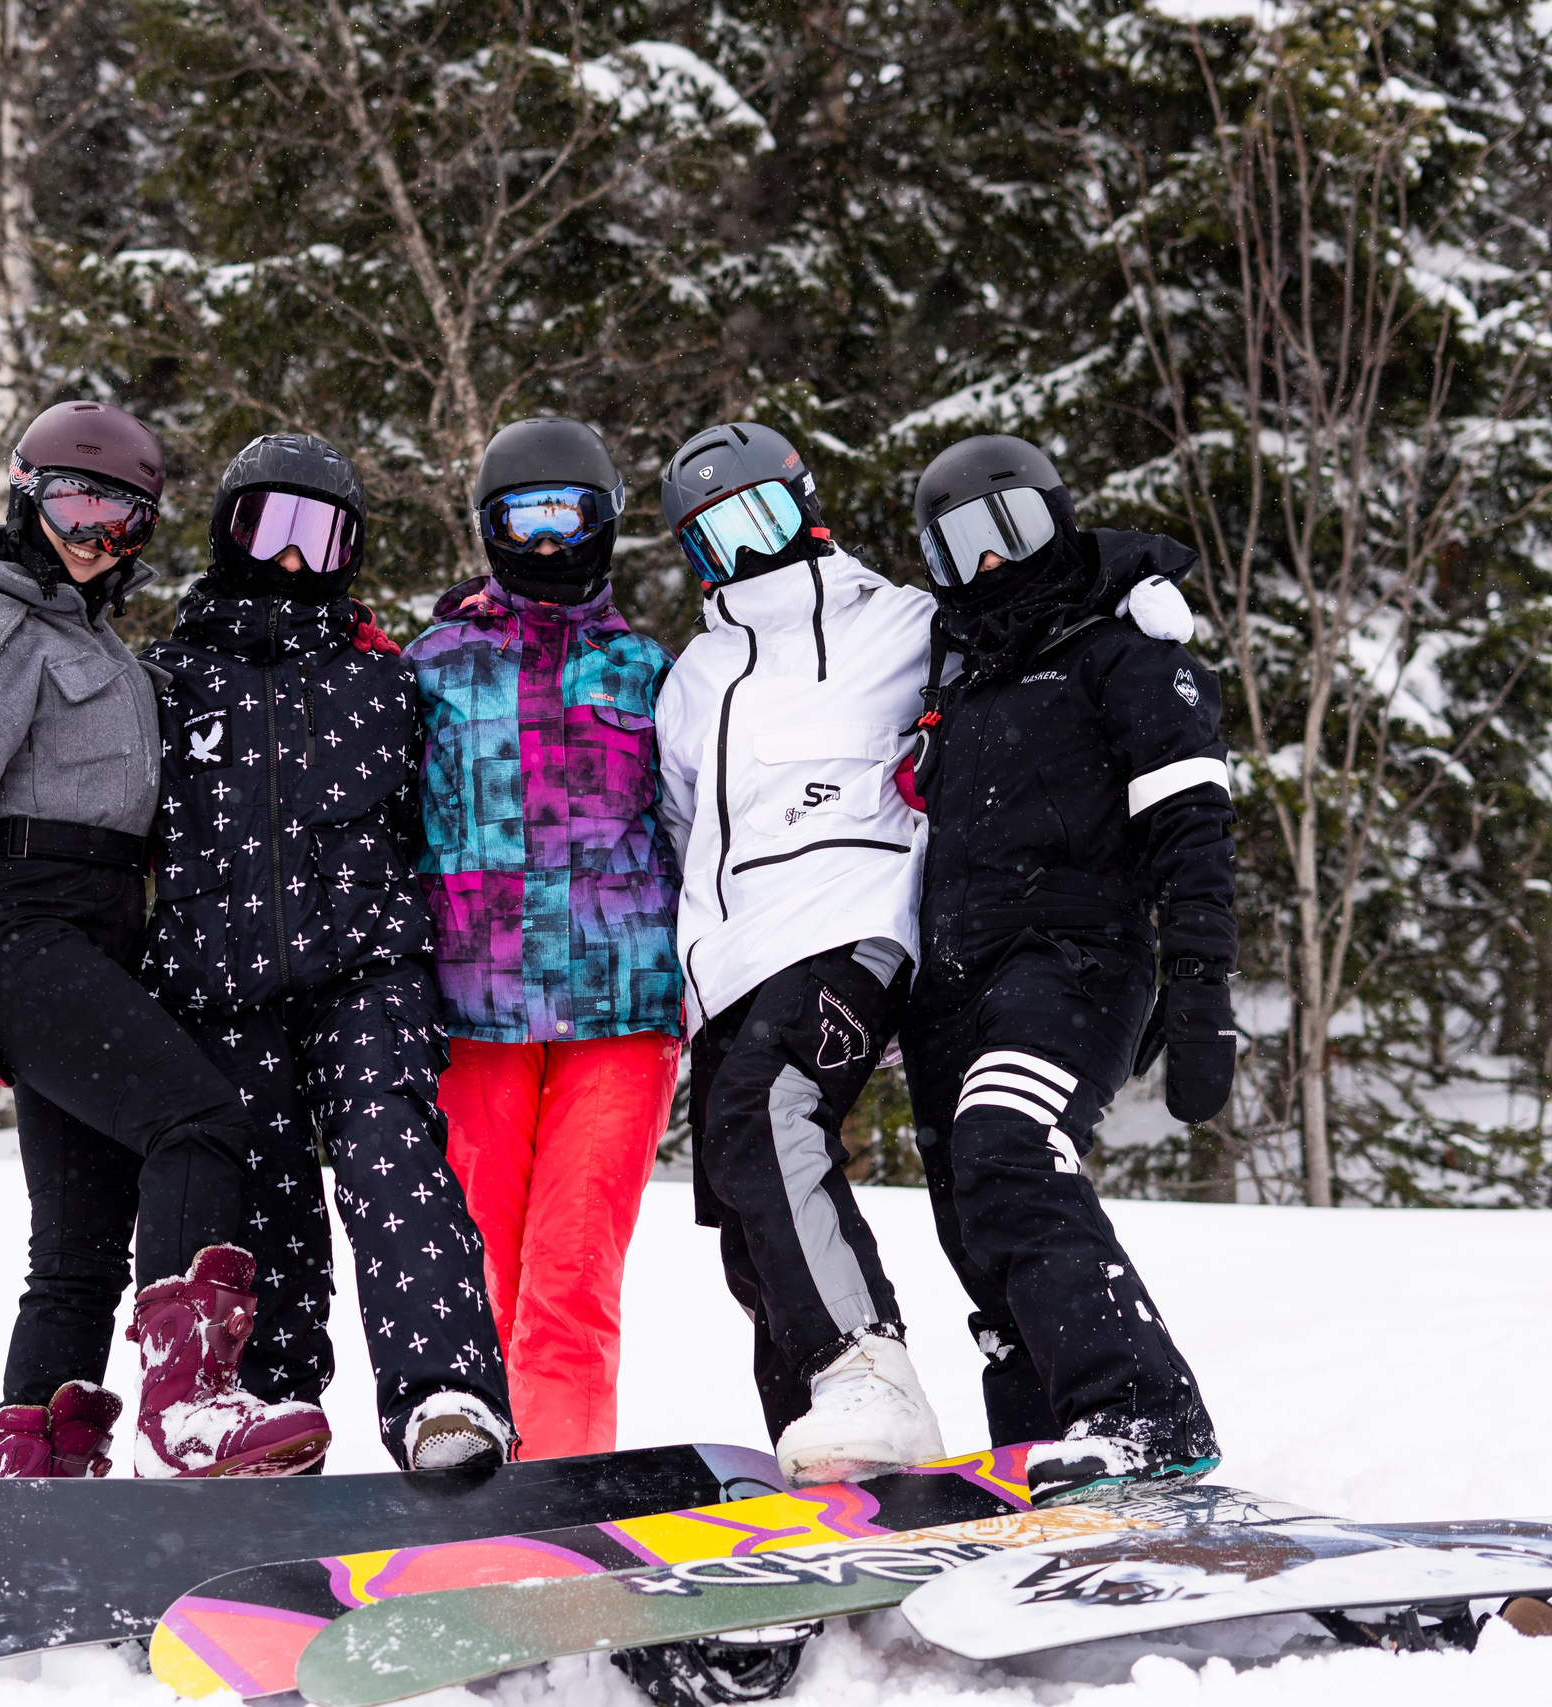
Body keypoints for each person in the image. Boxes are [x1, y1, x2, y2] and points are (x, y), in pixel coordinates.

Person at [0, 400, 330, 1480]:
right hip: (24, 932)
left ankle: (41, 1456)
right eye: (76, 507)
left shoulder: (94, 644)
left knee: (77, 1244)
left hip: (95, 932)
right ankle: (192, 1408)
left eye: (123, 522)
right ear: (27, 497)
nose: (94, 537)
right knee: (197, 1121)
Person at [137, 432, 516, 1471]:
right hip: (218, 980)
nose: (295, 558)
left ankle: (446, 1397)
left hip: (365, 970)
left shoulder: (381, 680)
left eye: (323, 534)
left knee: (393, 1165)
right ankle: (267, 1413)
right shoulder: (166, 682)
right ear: (229, 532)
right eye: (272, 527)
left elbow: (471, 794)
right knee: (258, 1198)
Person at [901, 433, 1231, 1505]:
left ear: (1060, 517)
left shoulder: (1122, 651)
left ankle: (1140, 1414)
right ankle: (1042, 1429)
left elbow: (1191, 828)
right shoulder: (952, 675)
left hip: (1077, 958)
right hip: (952, 985)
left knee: (1009, 1143)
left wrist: (1199, 991)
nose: (994, 565)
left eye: (1015, 531)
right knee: (969, 1202)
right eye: (963, 546)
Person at [653, 421, 946, 1486]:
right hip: (730, 962)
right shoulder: (696, 673)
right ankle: (827, 1455)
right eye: (712, 539)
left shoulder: (903, 622)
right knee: (743, 1195)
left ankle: (865, 1364)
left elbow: (1024, 633)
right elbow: (686, 828)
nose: (745, 551)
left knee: (767, 1112)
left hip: (853, 922)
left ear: (804, 502)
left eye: (759, 519)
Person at [406, 416, 685, 1459]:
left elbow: (704, 821)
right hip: (473, 1011)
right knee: (482, 1277)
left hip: (622, 1009)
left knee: (571, 1277)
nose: (544, 540)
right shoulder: (433, 665)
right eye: (520, 517)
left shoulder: (648, 673)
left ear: (604, 521)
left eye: (565, 514)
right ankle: (476, 1490)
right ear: (489, 526)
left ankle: (560, 1499)